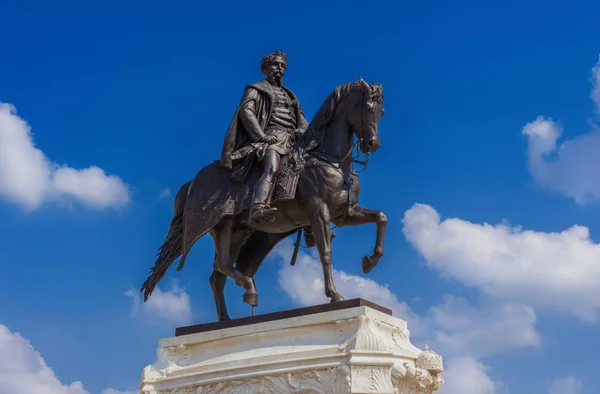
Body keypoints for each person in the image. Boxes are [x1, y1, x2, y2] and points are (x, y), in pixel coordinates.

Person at [220, 50, 309, 224]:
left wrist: (302, 130)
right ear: (266, 68)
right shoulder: (256, 89)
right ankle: (257, 207)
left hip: (292, 140)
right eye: (276, 64)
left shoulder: (291, 95)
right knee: (272, 168)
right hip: (271, 137)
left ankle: (309, 227)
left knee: (314, 173)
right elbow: (246, 112)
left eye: (283, 66)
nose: (280, 68)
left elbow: (303, 121)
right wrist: (261, 136)